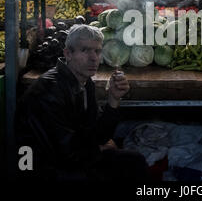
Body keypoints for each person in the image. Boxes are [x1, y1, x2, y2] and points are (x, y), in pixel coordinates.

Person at [15, 25, 148, 181]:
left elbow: (98, 134)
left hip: (70, 157)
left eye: (97, 51)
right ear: (68, 54)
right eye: (85, 50)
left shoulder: (84, 82)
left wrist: (113, 98)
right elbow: (66, 154)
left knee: (134, 160)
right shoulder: (49, 90)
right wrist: (99, 149)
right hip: (43, 168)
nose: (93, 58)